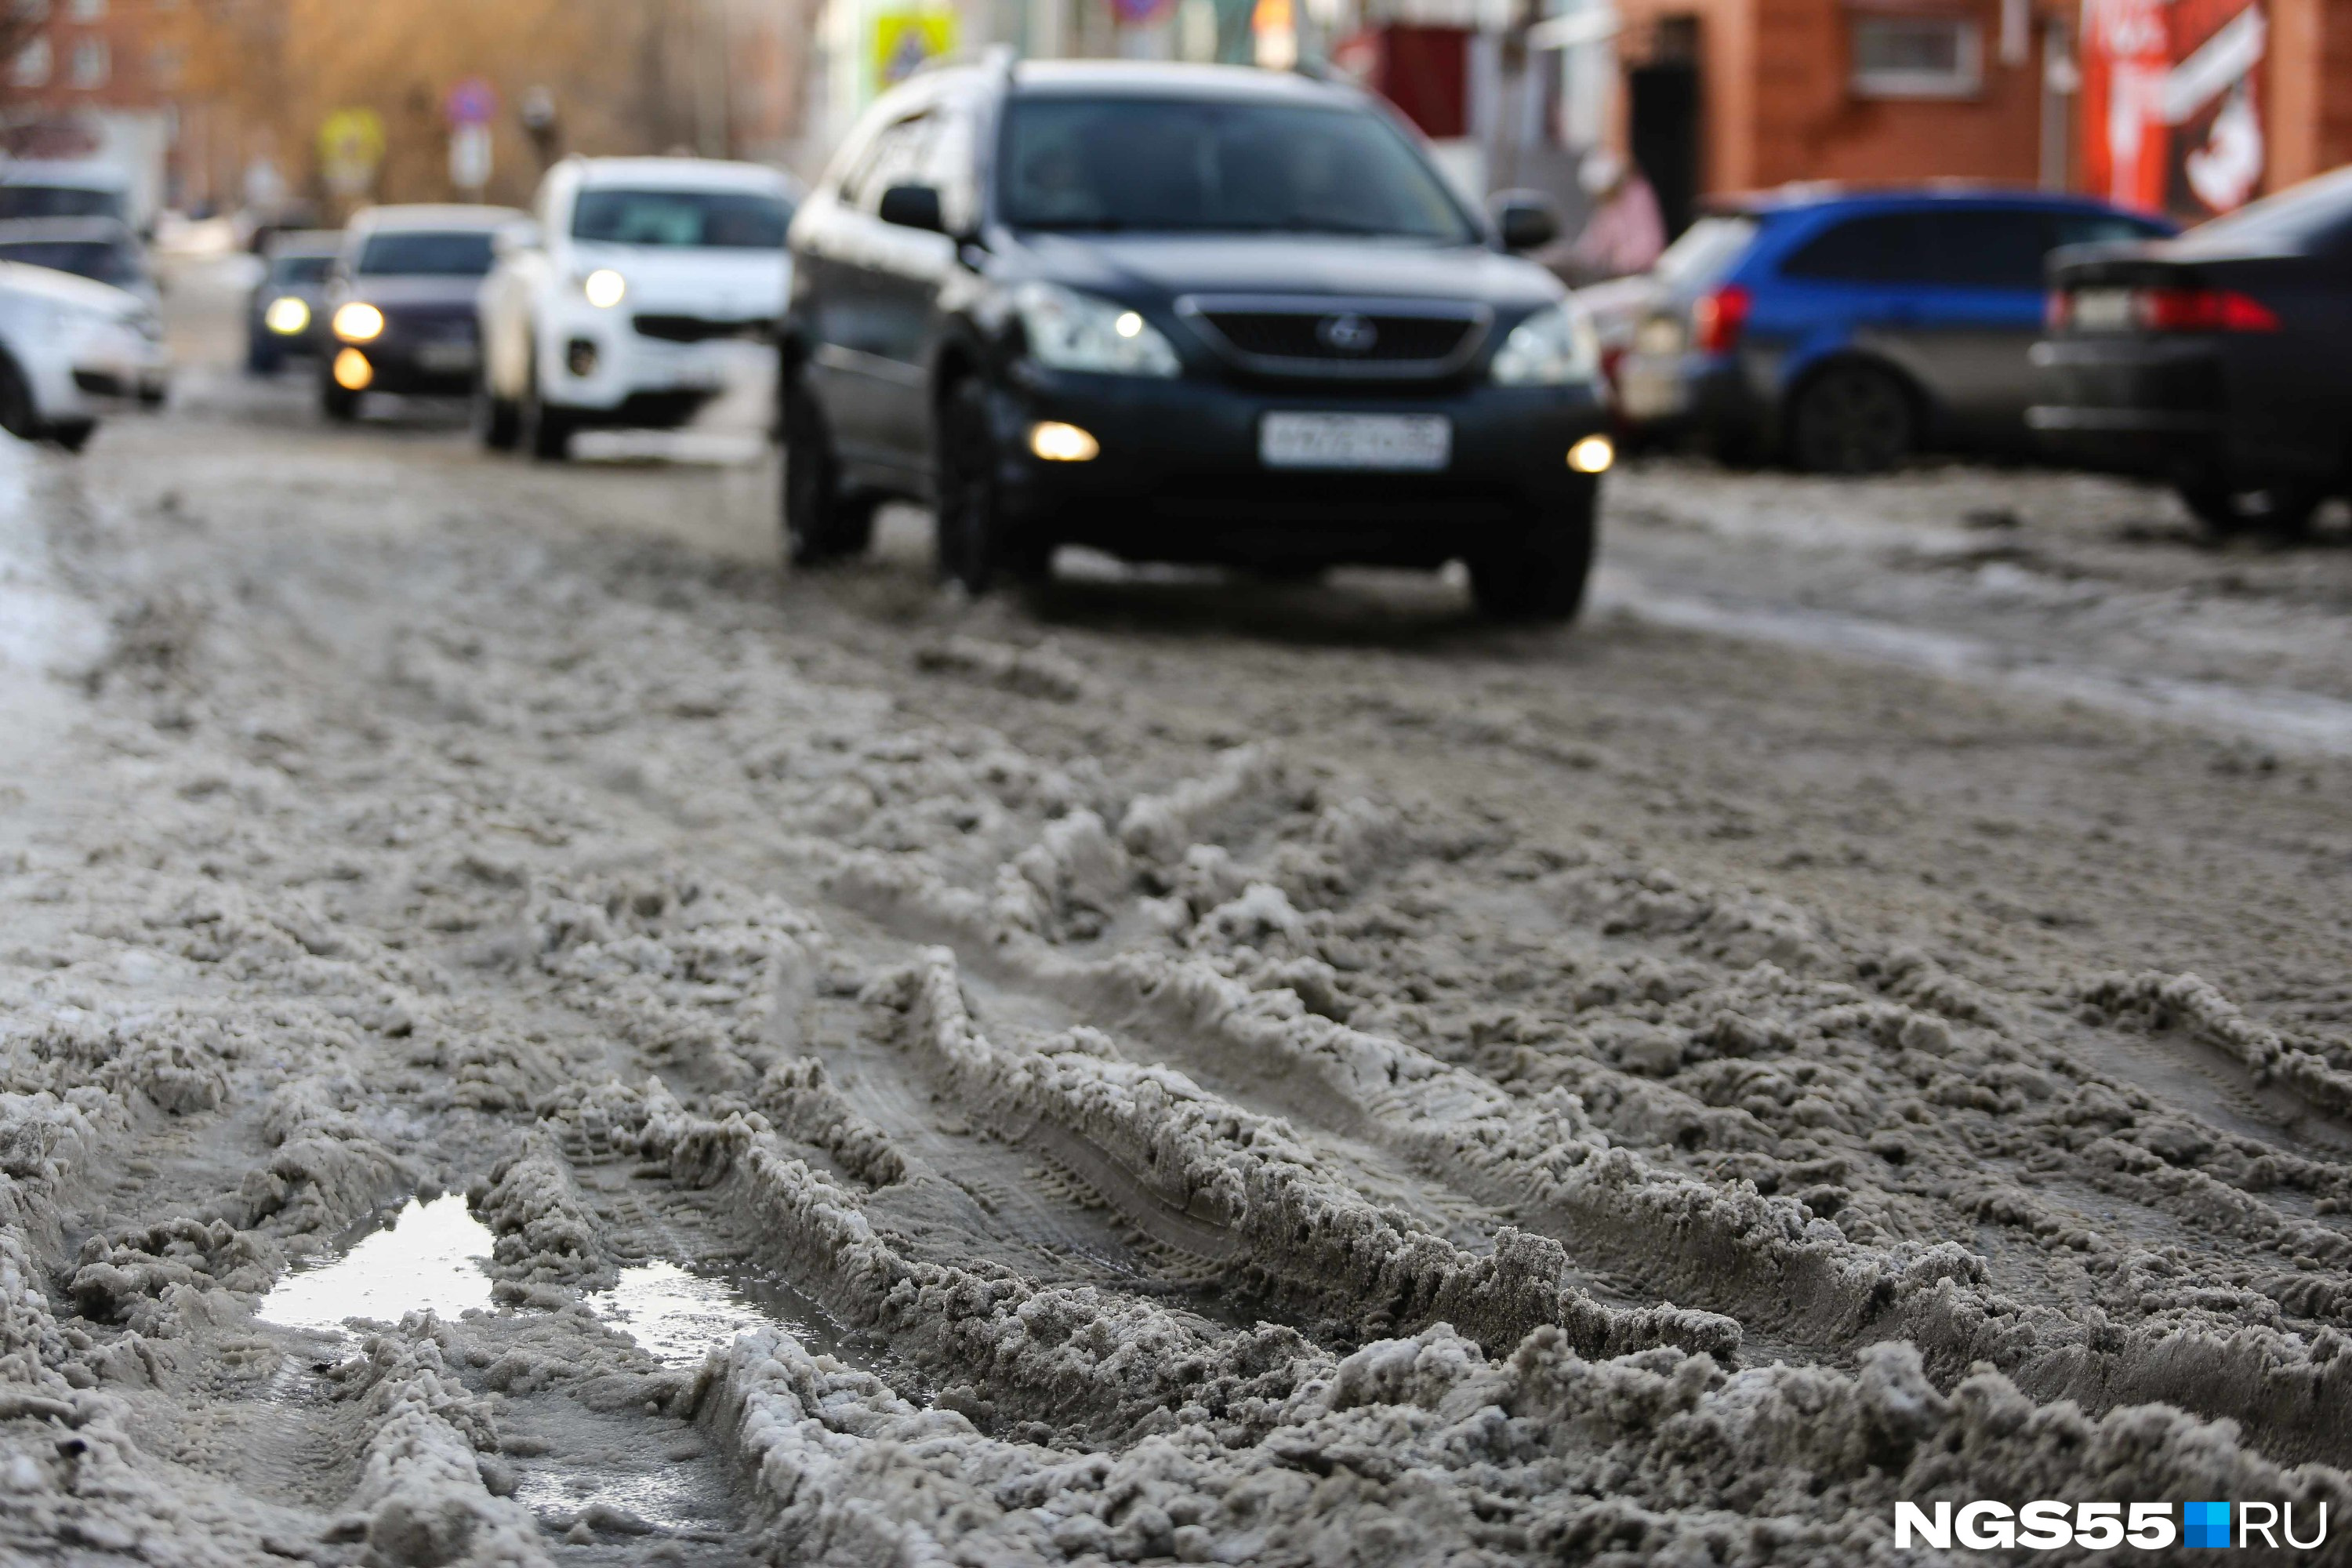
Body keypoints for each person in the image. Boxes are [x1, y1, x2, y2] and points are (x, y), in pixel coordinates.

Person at [1562, 148, 1665, 282]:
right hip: (1621, 273)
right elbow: (1595, 241)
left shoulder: (1637, 198)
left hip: (1640, 274)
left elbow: (1648, 245)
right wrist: (1577, 258)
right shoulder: (1609, 208)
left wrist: (1624, 262)